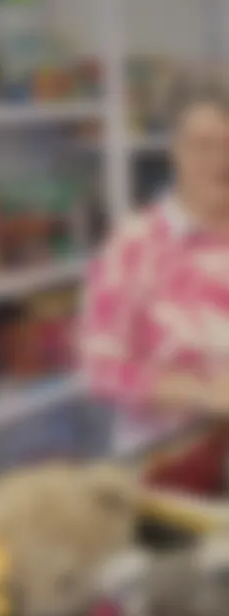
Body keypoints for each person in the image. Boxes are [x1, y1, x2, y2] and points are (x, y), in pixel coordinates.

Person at [83, 79, 229, 420]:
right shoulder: (135, 243)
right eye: (204, 145)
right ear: (175, 150)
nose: (221, 160)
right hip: (171, 448)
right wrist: (204, 393)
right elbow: (100, 368)